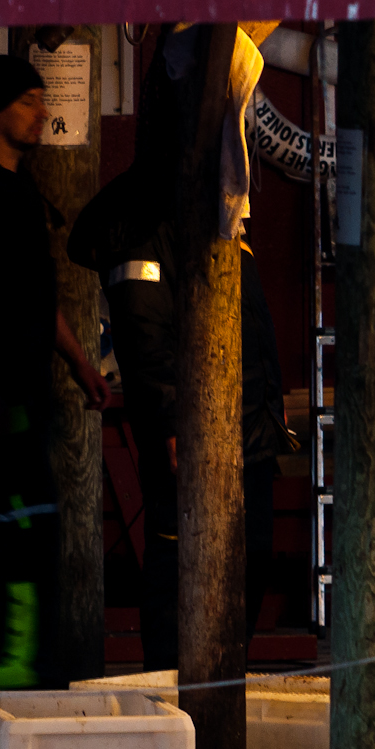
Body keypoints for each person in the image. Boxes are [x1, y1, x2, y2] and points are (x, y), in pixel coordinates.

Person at [69, 163, 293, 670]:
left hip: (249, 431)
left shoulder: (217, 213)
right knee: (179, 569)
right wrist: (170, 426)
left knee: (250, 559)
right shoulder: (141, 224)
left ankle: (222, 688)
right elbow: (143, 333)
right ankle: (174, 695)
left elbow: (252, 320)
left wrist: (268, 406)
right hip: (192, 440)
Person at [0, 55, 109, 689]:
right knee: (6, 538)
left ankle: (32, 678)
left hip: (27, 395)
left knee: (36, 530)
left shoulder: (23, 191)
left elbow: (35, 295)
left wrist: (79, 363)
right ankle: (3, 682)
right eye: (29, 100)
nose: (43, 112)